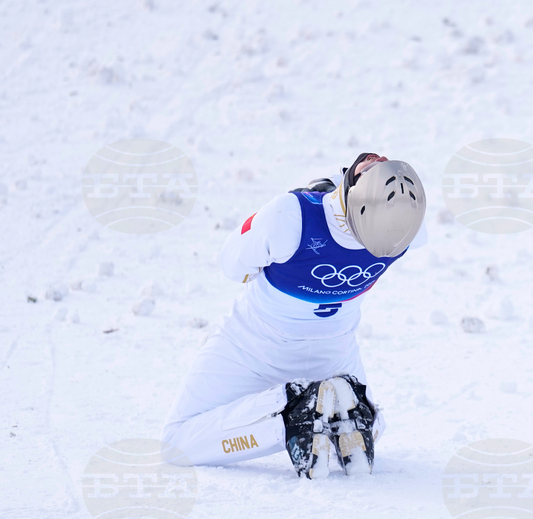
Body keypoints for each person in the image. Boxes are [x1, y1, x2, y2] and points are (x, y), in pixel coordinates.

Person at [161, 153, 427, 478]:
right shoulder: (408, 229)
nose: (379, 159)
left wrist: (296, 214)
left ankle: (288, 414)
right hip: (333, 355)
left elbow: (233, 267)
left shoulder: (291, 216)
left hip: (253, 348)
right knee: (362, 419)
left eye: (370, 170)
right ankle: (355, 415)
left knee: (177, 443)